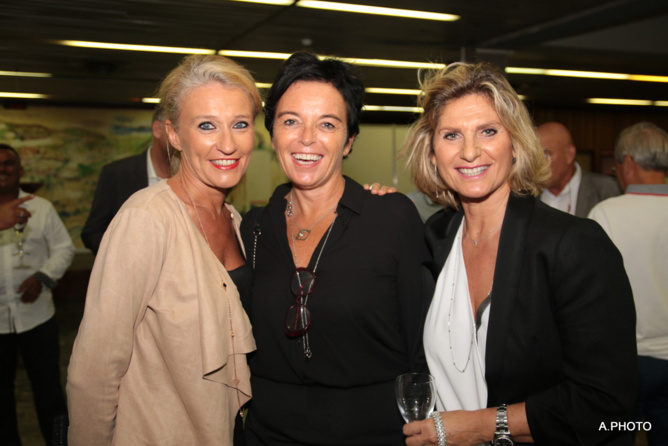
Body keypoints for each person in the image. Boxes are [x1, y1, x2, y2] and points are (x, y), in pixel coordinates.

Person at [401, 62, 637, 445]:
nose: (470, 151)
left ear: (516, 144)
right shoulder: (435, 238)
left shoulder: (573, 244)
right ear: (432, 154)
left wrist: (480, 426)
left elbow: (606, 403)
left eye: (488, 131)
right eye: (451, 135)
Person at [239, 52, 431, 445]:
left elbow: (421, 346)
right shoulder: (253, 228)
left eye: (327, 124)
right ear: (272, 134)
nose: (306, 138)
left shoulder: (391, 219)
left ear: (349, 141)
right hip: (267, 434)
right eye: (290, 121)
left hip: (374, 435)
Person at [66, 54, 259, 445]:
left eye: (240, 124)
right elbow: (95, 369)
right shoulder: (146, 219)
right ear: (173, 134)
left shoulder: (235, 220)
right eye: (206, 125)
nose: (228, 143)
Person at [588, 122, 668, 446]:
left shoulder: (606, 214)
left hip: (623, 364)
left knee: (616, 436)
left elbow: (589, 295)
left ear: (629, 164)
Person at [0, 144, 75, 445]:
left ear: (20, 170)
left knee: (48, 391)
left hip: (37, 317)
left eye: (8, 163)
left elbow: (64, 248)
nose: (2, 169)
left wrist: (42, 277)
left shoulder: (41, 208)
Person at [81, 107, 171, 254]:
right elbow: (93, 233)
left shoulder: (196, 177)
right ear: (157, 129)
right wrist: (124, 255)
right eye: (175, 129)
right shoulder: (116, 174)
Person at [536, 121, 620, 217]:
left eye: (545, 155)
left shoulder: (608, 190)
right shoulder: (527, 193)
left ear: (569, 154)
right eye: (534, 156)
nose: (538, 163)